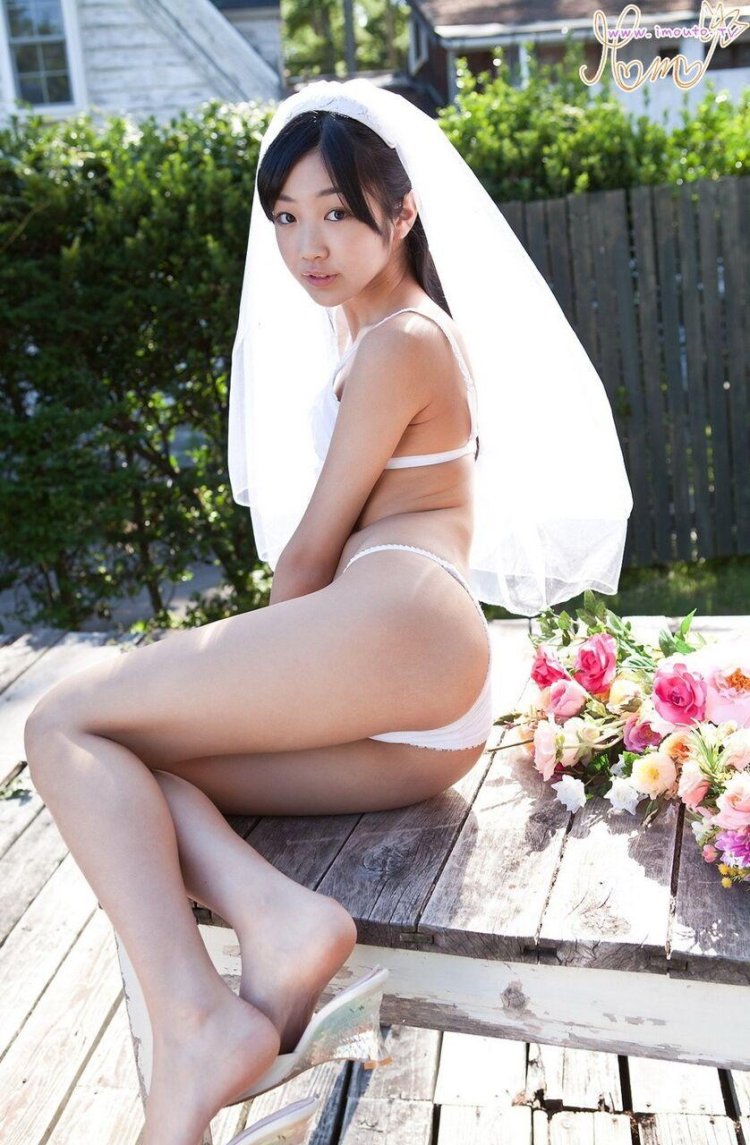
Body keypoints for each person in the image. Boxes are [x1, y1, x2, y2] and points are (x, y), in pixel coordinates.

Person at [23, 78, 632, 1145]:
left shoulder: (402, 339)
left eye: (339, 212)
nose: (309, 244)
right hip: (417, 705)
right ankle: (274, 926)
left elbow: (310, 549)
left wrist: (251, 659)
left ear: (402, 212)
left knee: (59, 719)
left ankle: (197, 1016)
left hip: (400, 619)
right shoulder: (382, 332)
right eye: (287, 216)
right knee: (127, 761)